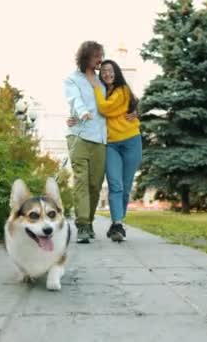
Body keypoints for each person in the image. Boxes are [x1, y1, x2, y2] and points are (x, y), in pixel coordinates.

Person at [69, 59, 142, 242]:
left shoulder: (123, 90)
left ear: (116, 72)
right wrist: (74, 119)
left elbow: (105, 108)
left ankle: (118, 222)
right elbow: (91, 109)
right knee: (115, 185)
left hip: (131, 141)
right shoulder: (101, 90)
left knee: (125, 187)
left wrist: (137, 112)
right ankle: (117, 224)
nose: (107, 74)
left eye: (110, 70)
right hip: (111, 144)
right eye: (103, 71)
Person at [63, 41, 107, 244]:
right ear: (86, 57)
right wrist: (81, 113)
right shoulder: (72, 79)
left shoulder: (103, 81)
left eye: (102, 55)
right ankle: (82, 226)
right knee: (81, 180)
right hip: (79, 135)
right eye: (97, 56)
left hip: (100, 138)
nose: (100, 60)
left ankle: (89, 222)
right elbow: (74, 100)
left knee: (95, 183)